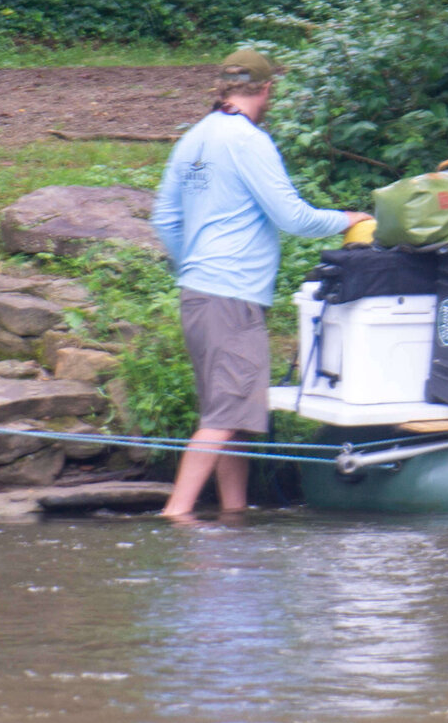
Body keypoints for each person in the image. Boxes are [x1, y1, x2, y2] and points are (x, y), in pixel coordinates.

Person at [151, 48, 365, 518]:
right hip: (232, 296)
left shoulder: (193, 139)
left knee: (236, 418)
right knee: (227, 415)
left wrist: (194, 266)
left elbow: (164, 217)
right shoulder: (248, 141)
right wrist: (351, 217)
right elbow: (293, 216)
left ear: (223, 87)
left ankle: (234, 514)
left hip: (199, 294)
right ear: (267, 89)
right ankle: (176, 513)